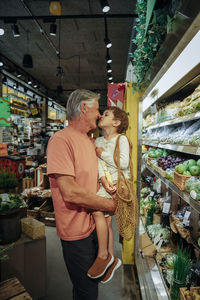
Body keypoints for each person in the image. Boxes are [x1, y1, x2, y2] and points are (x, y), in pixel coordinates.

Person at [46, 89, 116, 300]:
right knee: (87, 292)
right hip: (76, 233)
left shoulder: (87, 141)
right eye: (97, 109)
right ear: (84, 109)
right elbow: (70, 192)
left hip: (94, 225)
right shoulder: (61, 141)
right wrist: (108, 205)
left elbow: (94, 178)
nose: (99, 114)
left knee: (88, 288)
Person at [87, 106, 129, 283]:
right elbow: (98, 165)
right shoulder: (97, 141)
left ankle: (103, 255)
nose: (101, 116)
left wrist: (103, 154)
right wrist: (103, 180)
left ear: (116, 122)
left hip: (120, 185)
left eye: (106, 114)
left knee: (97, 212)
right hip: (106, 184)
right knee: (106, 219)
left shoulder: (122, 139)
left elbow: (124, 163)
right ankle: (111, 259)